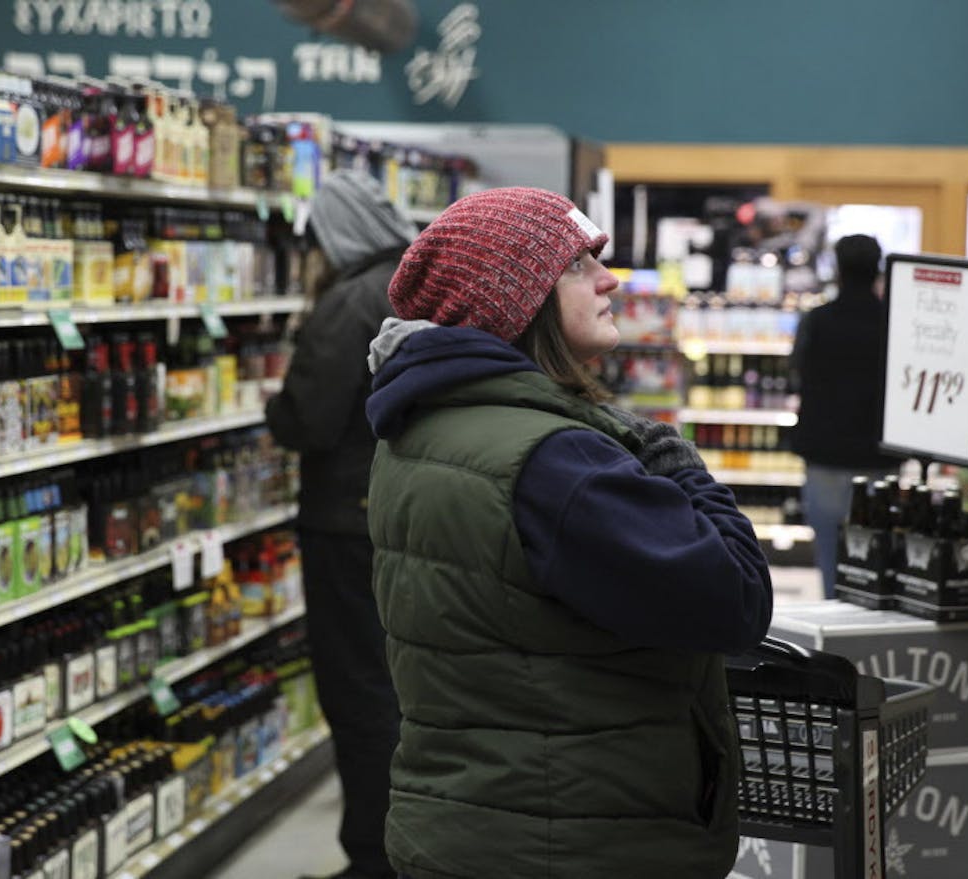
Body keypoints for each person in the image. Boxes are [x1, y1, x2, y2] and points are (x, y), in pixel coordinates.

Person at [363, 187, 773, 879]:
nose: (610, 279)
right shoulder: (558, 463)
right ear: (517, 298)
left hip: (464, 823)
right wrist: (673, 458)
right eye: (579, 264)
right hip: (573, 840)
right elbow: (736, 599)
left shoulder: (420, 429)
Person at [264, 169, 414, 879]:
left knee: (356, 692)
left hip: (345, 522)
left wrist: (275, 409)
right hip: (402, 514)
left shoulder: (347, 300)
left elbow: (310, 421)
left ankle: (372, 857)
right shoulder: (414, 286)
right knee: (398, 688)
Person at [789, 234, 903, 598]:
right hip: (879, 457)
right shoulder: (894, 324)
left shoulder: (817, 321)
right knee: (875, 559)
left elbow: (797, 372)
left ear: (836, 270)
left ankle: (835, 638)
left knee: (830, 557)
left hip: (825, 456)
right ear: (878, 271)